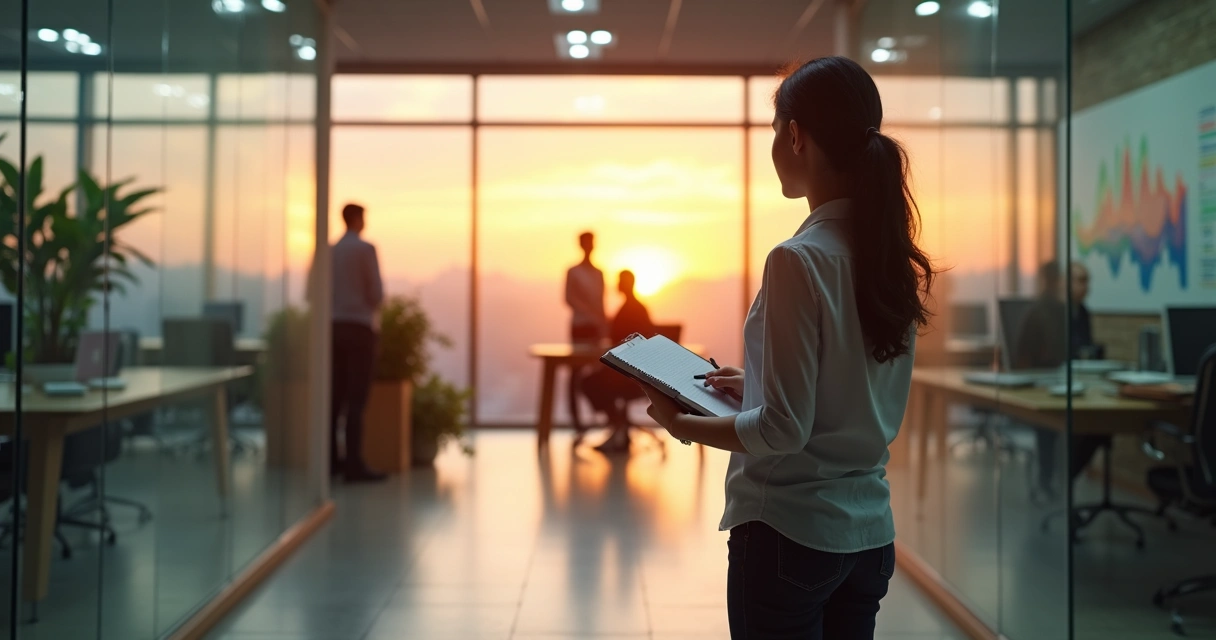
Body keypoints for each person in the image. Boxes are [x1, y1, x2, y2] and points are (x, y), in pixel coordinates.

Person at [639, 57, 934, 639]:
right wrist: (759, 383)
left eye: (776, 129)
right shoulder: (887, 259)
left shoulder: (798, 259)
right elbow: (851, 389)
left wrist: (683, 425)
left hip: (790, 537)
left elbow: (783, 432)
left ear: (795, 134)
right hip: (869, 538)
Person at [1015, 260, 1108, 497]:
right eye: (1080, 280)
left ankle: (1064, 479)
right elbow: (1025, 357)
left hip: (1079, 383)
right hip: (1044, 385)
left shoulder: (1083, 312)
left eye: (1087, 280)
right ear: (1062, 283)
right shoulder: (1043, 312)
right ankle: (1050, 478)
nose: (1086, 286)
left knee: (1100, 426)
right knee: (1055, 425)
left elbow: (1083, 350)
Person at [330, 203, 387, 483]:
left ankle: (330, 463)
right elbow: (376, 293)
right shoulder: (365, 250)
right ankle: (354, 464)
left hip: (333, 328)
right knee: (357, 399)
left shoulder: (329, 251)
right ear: (356, 219)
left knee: (334, 398)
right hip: (360, 328)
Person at [581, 270, 655, 453]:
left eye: (619, 281)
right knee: (596, 379)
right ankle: (619, 427)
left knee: (588, 382)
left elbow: (624, 342)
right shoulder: (636, 307)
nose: (616, 285)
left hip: (628, 375)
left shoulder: (630, 309)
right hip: (636, 372)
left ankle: (617, 424)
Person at [565, 232, 608, 435]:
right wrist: (590, 314)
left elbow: (602, 302)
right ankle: (576, 421)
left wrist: (603, 325)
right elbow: (569, 298)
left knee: (599, 371)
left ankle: (605, 415)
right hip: (580, 327)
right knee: (576, 372)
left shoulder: (599, 273)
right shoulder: (573, 272)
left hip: (595, 328)